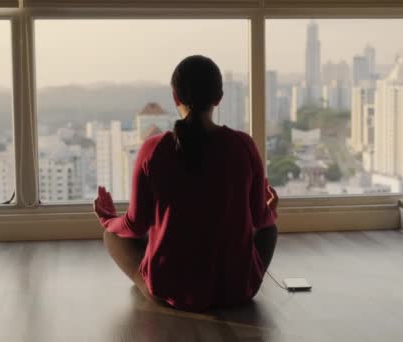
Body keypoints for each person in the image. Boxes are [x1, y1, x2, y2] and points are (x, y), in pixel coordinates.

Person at [94, 55, 279, 312]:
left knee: (112, 236)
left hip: (171, 291)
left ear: (175, 97)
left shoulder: (154, 148)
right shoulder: (243, 145)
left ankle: (147, 286)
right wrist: (270, 210)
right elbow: (261, 221)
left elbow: (135, 225)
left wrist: (108, 219)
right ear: (219, 97)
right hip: (236, 291)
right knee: (271, 231)